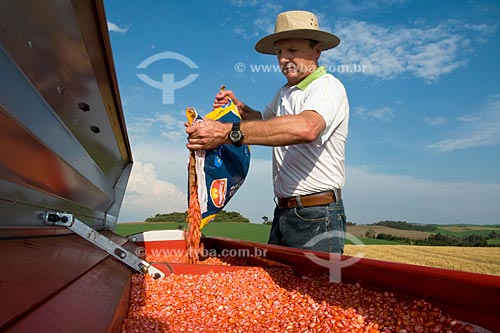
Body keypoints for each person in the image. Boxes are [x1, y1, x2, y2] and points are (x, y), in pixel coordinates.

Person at [185, 10, 349, 254]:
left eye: (292, 50)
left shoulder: (326, 87)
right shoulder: (284, 92)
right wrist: (238, 107)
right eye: (279, 52)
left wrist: (226, 132)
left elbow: (306, 127)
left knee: (310, 290)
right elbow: (264, 121)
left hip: (316, 214)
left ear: (317, 52)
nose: (283, 59)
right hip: (283, 210)